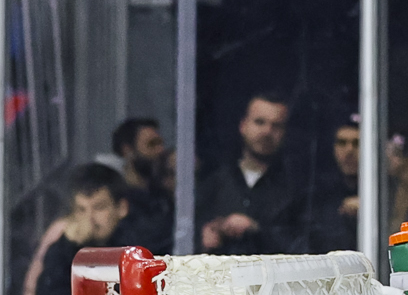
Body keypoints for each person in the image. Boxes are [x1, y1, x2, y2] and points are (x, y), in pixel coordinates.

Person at [197, 94, 304, 255]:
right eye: (259, 122)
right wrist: (204, 236)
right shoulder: (213, 183)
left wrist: (256, 230)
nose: (267, 131)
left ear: (285, 133)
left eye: (276, 126)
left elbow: (304, 246)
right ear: (243, 125)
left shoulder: (296, 189)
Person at [20, 163, 129, 295]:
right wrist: (69, 246)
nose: (89, 219)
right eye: (81, 210)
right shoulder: (63, 245)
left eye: (99, 208)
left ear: (122, 208)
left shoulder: (138, 248)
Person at [112, 114, 175, 254]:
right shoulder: (117, 196)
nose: (160, 150)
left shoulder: (163, 195)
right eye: (151, 144)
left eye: (161, 144)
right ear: (128, 150)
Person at [313, 115, 365, 253]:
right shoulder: (317, 194)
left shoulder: (385, 191)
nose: (349, 151)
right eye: (342, 143)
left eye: (357, 143)